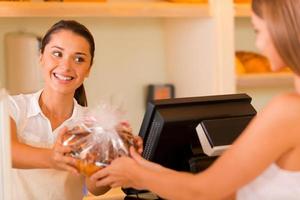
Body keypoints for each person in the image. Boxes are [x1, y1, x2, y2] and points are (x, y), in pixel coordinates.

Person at [89, 0, 300, 199]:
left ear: (281, 28)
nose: (258, 43)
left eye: (258, 30)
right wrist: (146, 170)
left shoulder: (288, 110)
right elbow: (230, 191)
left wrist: (138, 176)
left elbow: (202, 192)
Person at [9, 20, 142, 200]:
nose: (66, 66)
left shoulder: (92, 124)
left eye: (79, 58)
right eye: (57, 54)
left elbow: (94, 188)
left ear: (88, 69)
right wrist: (53, 158)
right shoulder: (11, 107)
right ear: (41, 57)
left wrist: (117, 159)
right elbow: (7, 152)